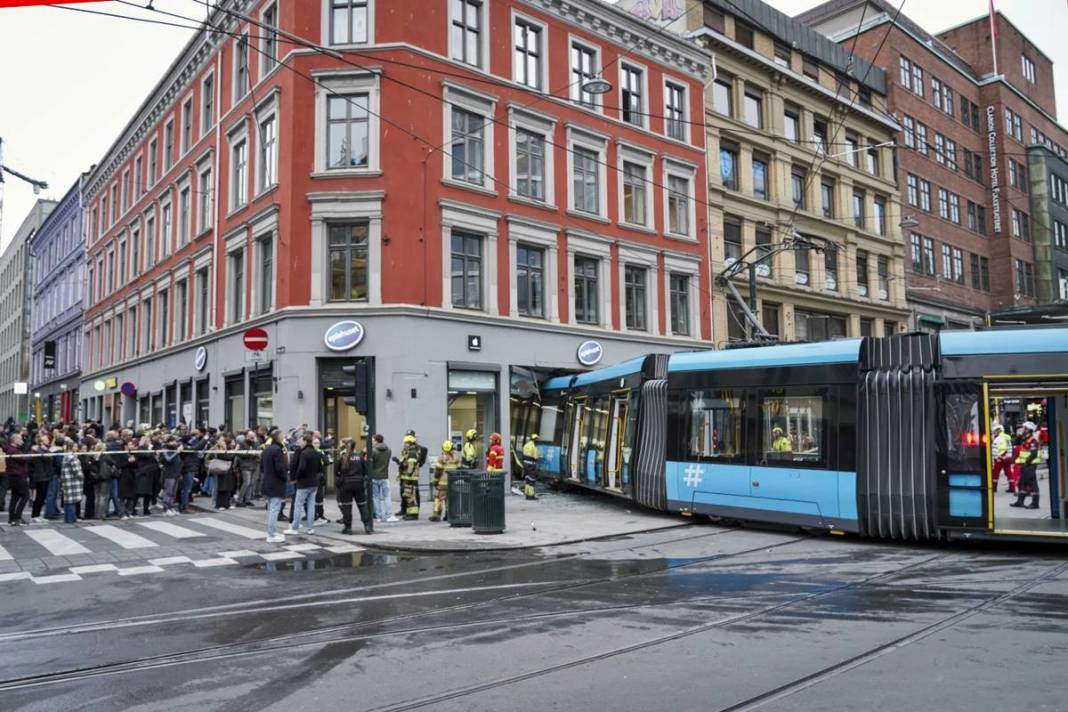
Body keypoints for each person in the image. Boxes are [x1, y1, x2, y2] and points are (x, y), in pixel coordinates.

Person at [285, 433, 321, 535]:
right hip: (314, 483)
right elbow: (319, 468)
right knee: (311, 506)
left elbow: (301, 468)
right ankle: (310, 528)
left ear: (305, 441)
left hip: (303, 483)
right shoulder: (316, 452)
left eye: (301, 440)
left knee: (298, 505)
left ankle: (294, 527)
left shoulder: (304, 453)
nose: (299, 442)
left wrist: (296, 478)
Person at [336, 439, 373, 535]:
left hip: (346, 485)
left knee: (347, 507)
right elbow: (365, 471)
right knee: (362, 505)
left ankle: (348, 528)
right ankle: (367, 526)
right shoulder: (359, 457)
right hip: (358, 484)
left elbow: (337, 472)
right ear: (354, 447)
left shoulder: (342, 458)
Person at [262, 428, 289, 543]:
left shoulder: (267, 449)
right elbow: (279, 467)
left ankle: (272, 532)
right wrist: (285, 477)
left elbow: (262, 467)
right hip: (276, 482)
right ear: (278, 437)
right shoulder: (277, 450)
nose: (283, 436)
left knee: (270, 509)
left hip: (267, 481)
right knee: (274, 509)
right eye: (282, 435)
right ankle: (271, 534)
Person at [1011, 422, 1042, 510]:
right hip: (1025, 465)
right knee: (1022, 483)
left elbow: (1034, 454)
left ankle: (1035, 503)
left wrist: (1026, 463)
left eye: (1025, 428)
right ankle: (1020, 501)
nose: (1023, 430)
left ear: (1029, 430)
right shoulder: (1025, 439)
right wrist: (1019, 436)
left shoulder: (1033, 440)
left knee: (1032, 483)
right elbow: (1014, 442)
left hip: (1030, 465)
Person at [430, 440, 458, 522]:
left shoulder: (441, 458)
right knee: (449, 499)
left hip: (442, 483)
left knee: (438, 498)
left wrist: (435, 481)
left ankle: (436, 515)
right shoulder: (455, 458)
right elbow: (459, 468)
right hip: (452, 482)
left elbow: (438, 472)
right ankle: (449, 515)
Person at [5, 433, 29, 526]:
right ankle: (17, 517)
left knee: (14, 498)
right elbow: (24, 459)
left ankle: (12, 518)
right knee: (25, 496)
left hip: (14, 476)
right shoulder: (13, 451)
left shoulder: (13, 450)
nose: (21, 440)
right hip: (18, 476)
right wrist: (25, 446)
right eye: (20, 439)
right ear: (14, 440)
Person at [58, 436, 84, 524]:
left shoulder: (65, 456)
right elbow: (76, 471)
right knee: (72, 501)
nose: (77, 448)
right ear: (72, 447)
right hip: (73, 481)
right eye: (75, 446)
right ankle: (71, 519)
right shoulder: (72, 457)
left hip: (66, 481)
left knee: (68, 501)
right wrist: (81, 476)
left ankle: (67, 519)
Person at [395, 437, 420, 520]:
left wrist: (408, 478)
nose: (404, 444)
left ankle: (413, 515)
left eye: (406, 443)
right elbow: (404, 464)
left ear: (410, 443)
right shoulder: (409, 452)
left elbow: (411, 467)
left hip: (410, 478)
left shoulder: (412, 453)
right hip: (408, 477)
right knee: (408, 496)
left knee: (411, 496)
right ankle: (409, 513)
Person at [134, 436, 159, 516]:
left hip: (150, 473)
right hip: (142, 473)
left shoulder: (149, 449)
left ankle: (146, 509)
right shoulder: (140, 448)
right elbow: (145, 455)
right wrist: (150, 449)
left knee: (148, 493)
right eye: (148, 441)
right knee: (138, 492)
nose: (150, 442)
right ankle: (132, 508)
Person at [160, 436, 182, 516]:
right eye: (172, 441)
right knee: (168, 492)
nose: (174, 443)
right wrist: (177, 452)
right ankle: (166, 509)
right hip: (169, 474)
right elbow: (168, 459)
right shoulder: (165, 449)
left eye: (175, 441)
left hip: (176, 473)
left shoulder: (174, 449)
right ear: (168, 442)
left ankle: (171, 507)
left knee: (173, 492)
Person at [990, 423, 1016, 493]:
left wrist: (996, 458)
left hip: (1000, 459)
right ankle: (1012, 488)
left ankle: (994, 488)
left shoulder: (998, 439)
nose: (994, 433)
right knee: (1009, 473)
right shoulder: (1007, 437)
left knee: (995, 474)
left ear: (998, 431)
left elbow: (996, 450)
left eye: (995, 431)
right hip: (1008, 458)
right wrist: (1008, 456)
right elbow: (1009, 448)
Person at [521, 433, 540, 500]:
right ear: (535, 440)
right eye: (537, 440)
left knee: (527, 479)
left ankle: (527, 494)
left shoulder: (526, 445)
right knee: (532, 479)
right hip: (531, 465)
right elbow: (536, 457)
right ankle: (531, 495)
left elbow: (523, 454)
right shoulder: (534, 447)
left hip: (525, 464)